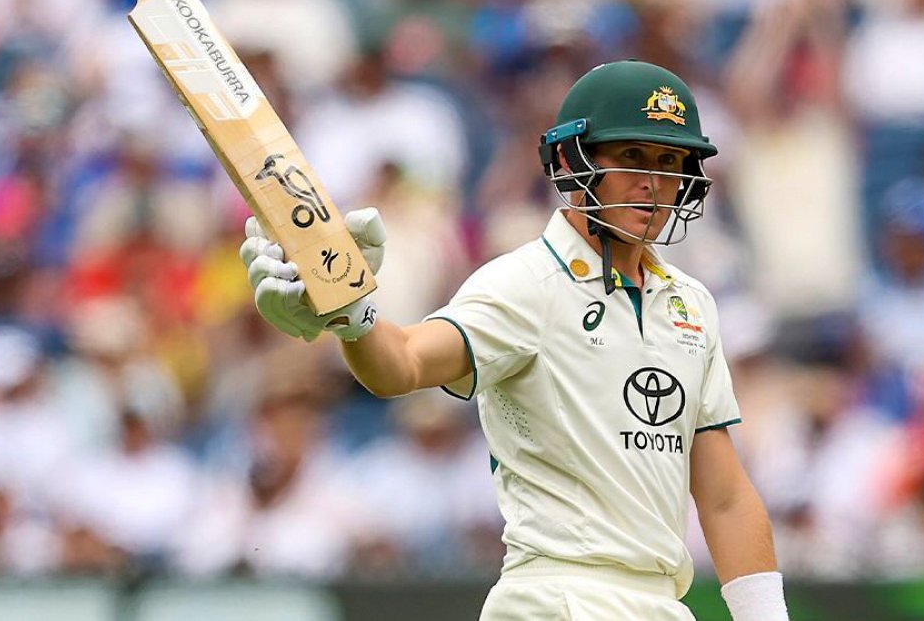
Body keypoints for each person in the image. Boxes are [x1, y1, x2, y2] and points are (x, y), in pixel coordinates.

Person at [240, 60, 788, 620]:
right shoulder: (527, 284)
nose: (653, 182)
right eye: (631, 156)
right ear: (573, 161)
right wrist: (353, 312)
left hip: (658, 603)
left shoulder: (691, 305)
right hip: (556, 598)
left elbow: (725, 496)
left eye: (669, 161)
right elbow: (401, 363)